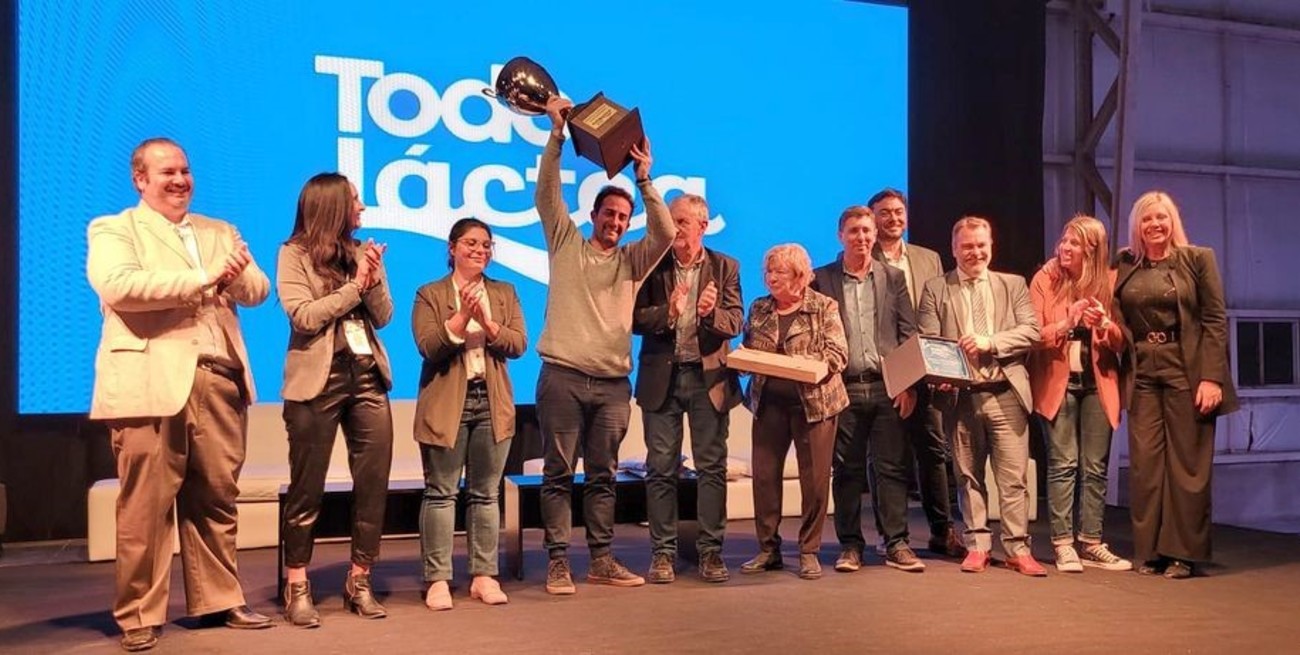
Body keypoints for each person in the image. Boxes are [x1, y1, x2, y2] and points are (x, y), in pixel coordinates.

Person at [86, 137, 272, 652]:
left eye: (185, 170)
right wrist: (204, 277)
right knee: (145, 508)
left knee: (216, 497)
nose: (180, 180)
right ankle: (139, 614)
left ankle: (218, 599)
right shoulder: (115, 228)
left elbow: (258, 290)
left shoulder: (219, 230)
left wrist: (234, 275)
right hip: (150, 382)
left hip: (218, 377)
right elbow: (119, 286)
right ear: (140, 179)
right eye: (167, 172)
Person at [534, 96, 675, 595]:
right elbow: (547, 194)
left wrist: (644, 179)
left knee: (603, 477)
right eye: (608, 214)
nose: (615, 222)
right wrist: (557, 135)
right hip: (563, 377)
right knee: (557, 474)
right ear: (592, 214)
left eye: (622, 217)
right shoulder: (565, 243)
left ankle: (600, 560)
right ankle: (557, 562)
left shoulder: (633, 260)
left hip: (613, 385)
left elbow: (666, 231)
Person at [276, 173, 395, 626]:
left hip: (366, 376)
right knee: (307, 488)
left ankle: (359, 579)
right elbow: (304, 317)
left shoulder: (363, 252)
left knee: (372, 483)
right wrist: (354, 288)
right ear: (332, 206)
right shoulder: (293, 255)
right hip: (317, 380)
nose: (362, 207)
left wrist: (373, 278)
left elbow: (383, 316)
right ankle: (297, 583)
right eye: (355, 200)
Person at [1114, 191, 1238, 579]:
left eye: (1161, 217)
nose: (1155, 225)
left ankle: (1182, 554)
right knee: (1146, 466)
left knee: (1187, 466)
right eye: (1147, 218)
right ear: (1137, 225)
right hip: (1142, 371)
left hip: (1187, 368)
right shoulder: (1125, 263)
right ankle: (1151, 551)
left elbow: (1215, 320)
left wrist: (1212, 377)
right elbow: (1117, 315)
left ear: (1173, 222)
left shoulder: (1197, 259)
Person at [917, 216, 1045, 576]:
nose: (975, 252)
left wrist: (991, 342)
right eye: (967, 246)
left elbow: (1031, 331)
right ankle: (977, 546)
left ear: (991, 246)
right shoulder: (936, 288)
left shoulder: (1013, 284)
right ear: (954, 249)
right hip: (961, 397)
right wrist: (940, 376)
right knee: (968, 476)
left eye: (981, 245)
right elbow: (928, 340)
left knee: (1014, 478)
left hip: (1006, 392)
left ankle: (1018, 548)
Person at [412, 218, 527, 608]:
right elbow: (429, 346)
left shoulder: (504, 292)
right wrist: (462, 316)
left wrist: (489, 323)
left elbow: (518, 344)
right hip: (447, 403)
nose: (479, 250)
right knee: (441, 493)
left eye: (486, 244)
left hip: (491, 402)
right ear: (452, 248)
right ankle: (437, 580)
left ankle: (483, 575)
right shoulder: (430, 293)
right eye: (471, 243)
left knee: (485, 493)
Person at [633, 194, 743, 584]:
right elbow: (634, 318)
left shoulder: (725, 267)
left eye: (681, 221)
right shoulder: (653, 263)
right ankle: (662, 553)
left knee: (711, 468)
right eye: (671, 221)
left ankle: (711, 552)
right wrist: (670, 312)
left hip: (707, 379)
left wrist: (709, 314)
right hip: (661, 378)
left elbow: (735, 322)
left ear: (703, 225)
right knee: (660, 468)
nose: (674, 228)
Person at [812, 206, 923, 573]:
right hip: (842, 388)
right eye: (854, 231)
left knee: (891, 469)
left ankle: (897, 543)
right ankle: (850, 545)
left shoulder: (893, 277)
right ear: (840, 235)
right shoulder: (821, 278)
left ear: (875, 235)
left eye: (866, 231)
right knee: (846, 470)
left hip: (886, 387)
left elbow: (908, 333)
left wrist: (907, 384)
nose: (861, 237)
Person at [738, 243, 849, 580]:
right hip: (769, 404)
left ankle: (809, 550)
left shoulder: (823, 306)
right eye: (768, 271)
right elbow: (749, 347)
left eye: (780, 272)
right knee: (764, 477)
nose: (771, 278)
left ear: (800, 276)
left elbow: (838, 354)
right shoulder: (759, 308)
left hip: (814, 406)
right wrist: (742, 360)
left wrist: (806, 364)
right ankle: (768, 549)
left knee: (814, 481)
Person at [1028, 215, 1131, 573]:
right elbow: (1032, 335)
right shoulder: (1045, 279)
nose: (1065, 248)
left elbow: (1122, 342)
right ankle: (1062, 544)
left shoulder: (1110, 282)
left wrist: (1104, 324)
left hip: (1097, 383)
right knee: (1063, 463)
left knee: (1095, 466)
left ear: (1092, 249)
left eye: (1074, 243)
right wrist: (1066, 323)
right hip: (1059, 383)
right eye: (1064, 240)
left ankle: (1091, 542)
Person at [869, 188, 965, 558]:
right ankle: (891, 536)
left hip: (927, 369)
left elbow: (941, 312)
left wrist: (945, 366)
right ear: (872, 218)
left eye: (898, 211)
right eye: (884, 212)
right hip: (884, 369)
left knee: (934, 451)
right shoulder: (864, 258)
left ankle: (943, 531)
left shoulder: (928, 258)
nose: (893, 218)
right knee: (885, 456)